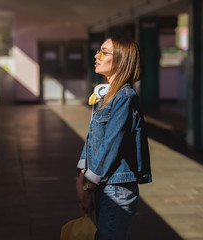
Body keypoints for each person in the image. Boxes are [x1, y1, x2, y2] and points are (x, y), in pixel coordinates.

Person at [76, 36, 152, 240]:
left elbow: (111, 144)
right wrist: (82, 171)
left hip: (117, 190)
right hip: (104, 185)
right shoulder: (108, 96)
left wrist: (88, 185)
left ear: (120, 60)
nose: (96, 55)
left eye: (103, 51)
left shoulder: (125, 98)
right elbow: (93, 136)